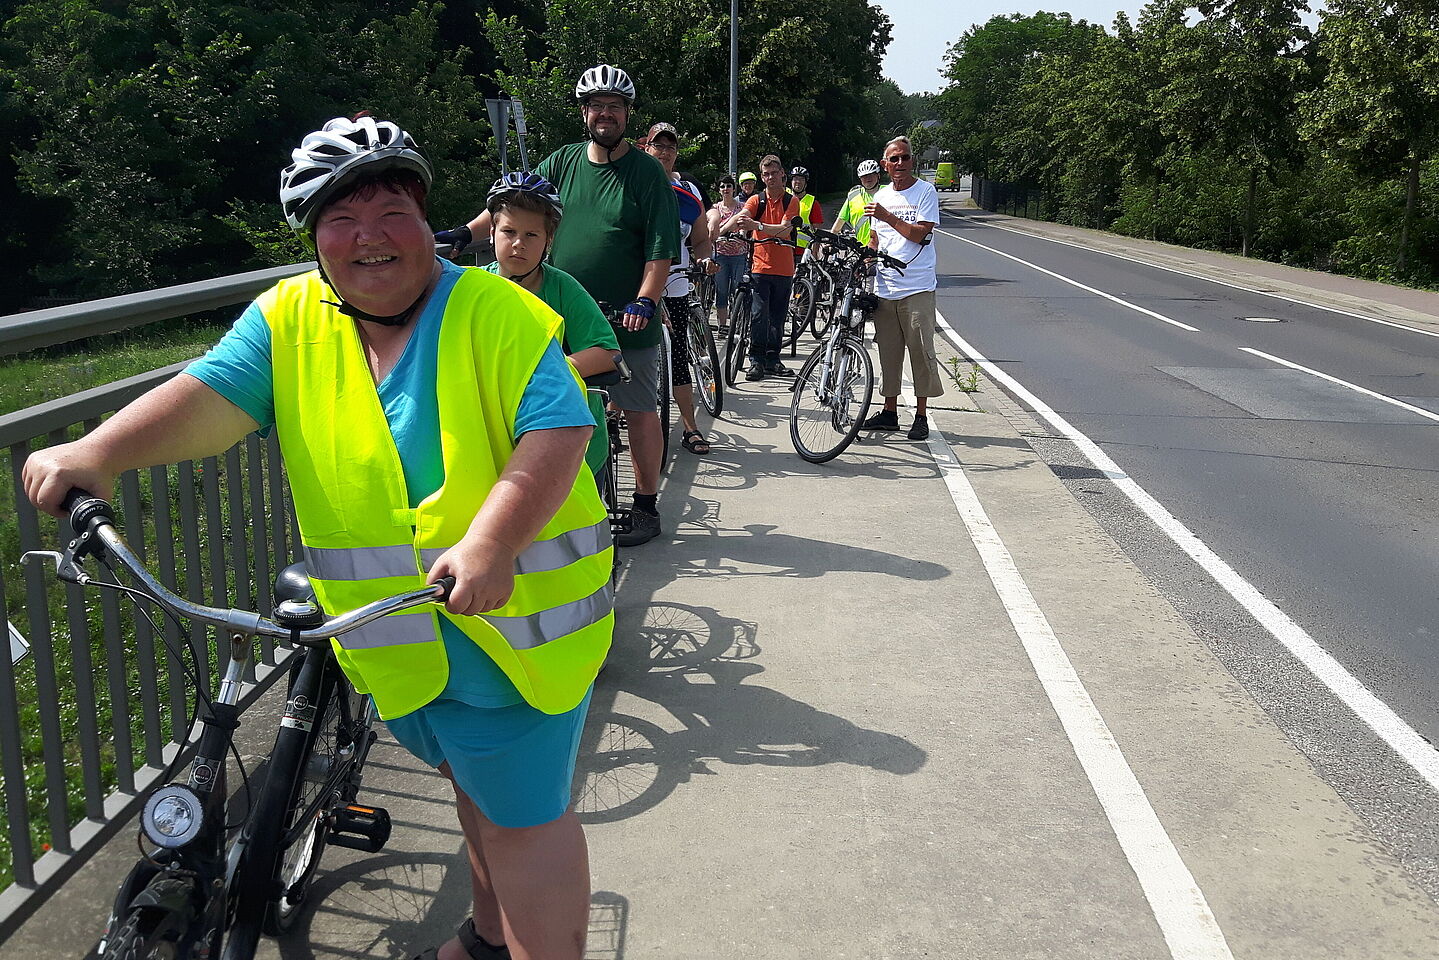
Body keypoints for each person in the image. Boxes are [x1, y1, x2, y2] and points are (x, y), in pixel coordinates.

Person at [23, 116, 612, 960]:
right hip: (400, 640)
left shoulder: (494, 309)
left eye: (391, 210)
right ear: (312, 237)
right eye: (339, 218)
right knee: (480, 799)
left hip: (517, 634)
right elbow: (210, 394)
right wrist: (97, 453)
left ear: (426, 218)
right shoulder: (291, 317)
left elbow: (556, 431)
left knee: (524, 823)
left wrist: (492, 543)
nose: (367, 236)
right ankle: (488, 940)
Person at [438, 64, 679, 547]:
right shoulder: (563, 161)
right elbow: (513, 206)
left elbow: (659, 253)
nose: (604, 114)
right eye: (596, 106)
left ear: (627, 115)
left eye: (614, 106)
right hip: (549, 309)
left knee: (637, 407)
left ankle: (646, 503)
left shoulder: (646, 172)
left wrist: (647, 302)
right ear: (584, 113)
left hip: (623, 315)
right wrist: (466, 234)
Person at [483, 172, 624, 493]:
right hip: (495, 437)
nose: (518, 243)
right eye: (509, 231)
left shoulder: (562, 288)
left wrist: (547, 373)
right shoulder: (473, 287)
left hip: (568, 440)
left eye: (532, 235)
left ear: (549, 241)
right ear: (491, 233)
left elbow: (607, 352)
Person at [860, 136, 943, 441]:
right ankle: (890, 411)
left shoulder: (925, 192)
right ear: (885, 165)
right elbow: (875, 239)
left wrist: (887, 216)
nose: (899, 164)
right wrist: (866, 257)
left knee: (920, 352)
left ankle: (920, 415)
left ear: (912, 161)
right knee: (889, 354)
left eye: (905, 158)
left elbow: (920, 235)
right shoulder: (881, 195)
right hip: (886, 287)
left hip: (917, 286)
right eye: (893, 159)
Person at [644, 122, 716, 455]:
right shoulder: (635, 184)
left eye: (671, 147)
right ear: (647, 148)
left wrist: (704, 260)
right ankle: (613, 417)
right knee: (624, 350)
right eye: (659, 146)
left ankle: (689, 427)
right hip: (638, 280)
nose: (665, 152)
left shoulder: (688, 191)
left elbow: (700, 239)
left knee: (679, 356)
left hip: (675, 279)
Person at [718, 154, 801, 382]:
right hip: (760, 267)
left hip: (784, 268)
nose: (770, 178)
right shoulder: (757, 200)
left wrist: (757, 226)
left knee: (777, 316)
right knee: (758, 315)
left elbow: (785, 230)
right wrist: (716, 233)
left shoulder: (791, 202)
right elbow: (741, 216)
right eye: (766, 174)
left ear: (782, 174)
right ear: (762, 176)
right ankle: (756, 360)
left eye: (774, 173)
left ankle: (773, 359)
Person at [707, 175, 749, 332]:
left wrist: (742, 235)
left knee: (737, 290)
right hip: (720, 255)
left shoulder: (742, 207)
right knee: (721, 290)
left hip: (739, 254)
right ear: (719, 190)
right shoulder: (714, 209)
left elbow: (744, 225)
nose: (726, 189)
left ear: (734, 189)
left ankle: (737, 323)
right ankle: (723, 325)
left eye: (729, 186)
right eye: (723, 186)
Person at [832, 159, 882, 248]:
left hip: (885, 250)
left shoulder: (889, 192)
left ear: (878, 175)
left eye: (871, 174)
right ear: (860, 179)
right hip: (862, 250)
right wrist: (830, 240)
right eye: (864, 176)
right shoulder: (853, 196)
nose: (867, 178)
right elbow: (839, 223)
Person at [788, 166, 824, 256]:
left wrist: (815, 252)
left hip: (803, 252)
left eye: (802, 179)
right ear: (791, 181)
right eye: (795, 179)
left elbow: (817, 231)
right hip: (784, 248)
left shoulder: (812, 202)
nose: (798, 182)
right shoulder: (784, 198)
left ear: (806, 183)